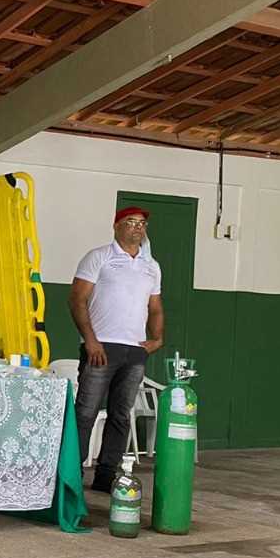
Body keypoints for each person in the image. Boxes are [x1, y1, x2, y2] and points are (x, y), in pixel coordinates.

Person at [69, 206, 165, 492]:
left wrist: (157, 339)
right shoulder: (99, 257)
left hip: (134, 351)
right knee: (85, 413)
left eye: (142, 223)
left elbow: (155, 307)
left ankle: (106, 475)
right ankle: (72, 475)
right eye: (130, 222)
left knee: (121, 416)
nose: (137, 227)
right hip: (101, 347)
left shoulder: (151, 266)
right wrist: (90, 340)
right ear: (116, 226)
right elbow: (77, 299)